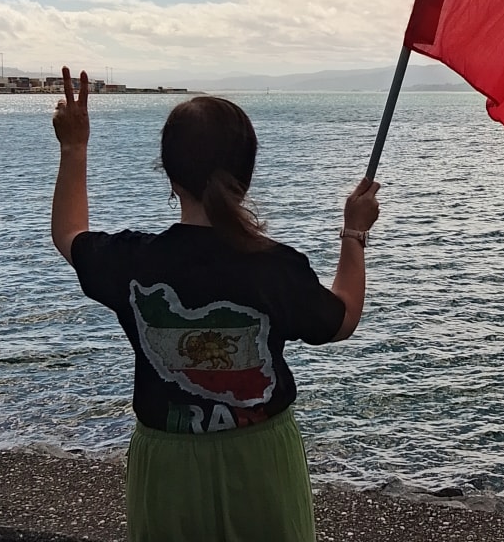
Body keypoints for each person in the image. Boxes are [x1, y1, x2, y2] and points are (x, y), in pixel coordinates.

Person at [50, 67, 380, 541]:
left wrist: (74, 147)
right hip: (261, 457)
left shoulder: (132, 262)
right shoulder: (275, 266)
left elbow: (68, 234)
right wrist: (353, 233)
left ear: (169, 173)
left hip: (167, 462)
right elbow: (342, 317)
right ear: (246, 173)